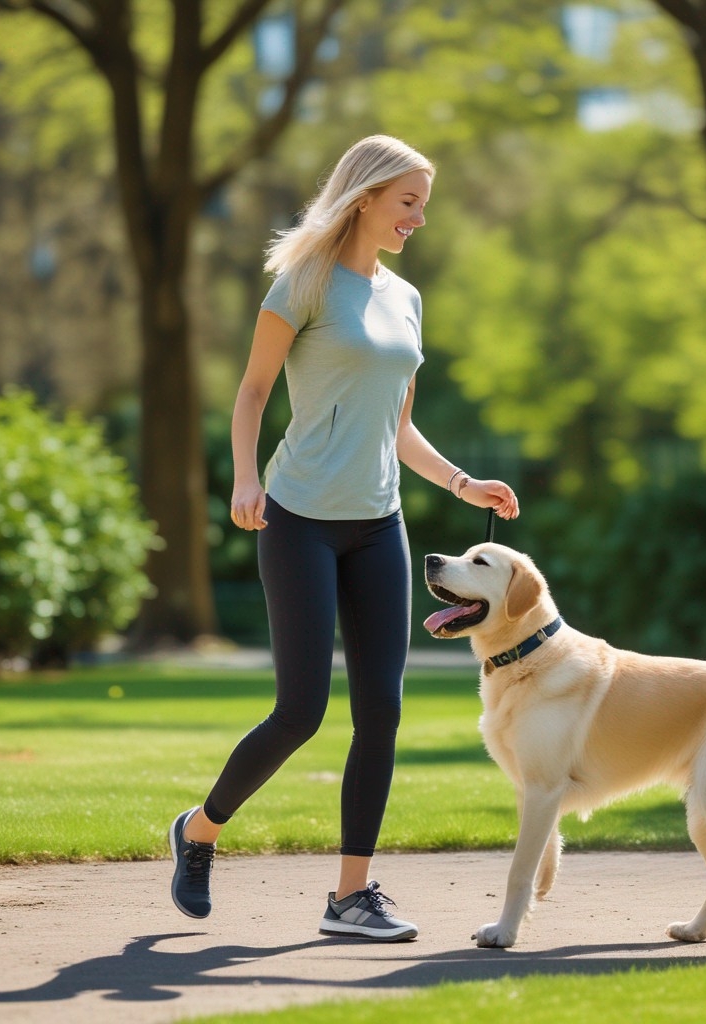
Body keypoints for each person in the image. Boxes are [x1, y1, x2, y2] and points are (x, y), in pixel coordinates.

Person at [168, 135, 520, 942]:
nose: (419, 218)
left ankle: (350, 898)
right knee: (299, 711)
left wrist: (463, 483)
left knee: (383, 713)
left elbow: (398, 425)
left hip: (379, 523)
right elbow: (254, 390)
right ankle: (200, 831)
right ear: (363, 197)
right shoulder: (306, 283)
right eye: (408, 201)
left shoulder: (406, 299)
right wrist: (245, 479)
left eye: (423, 203)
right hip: (297, 519)